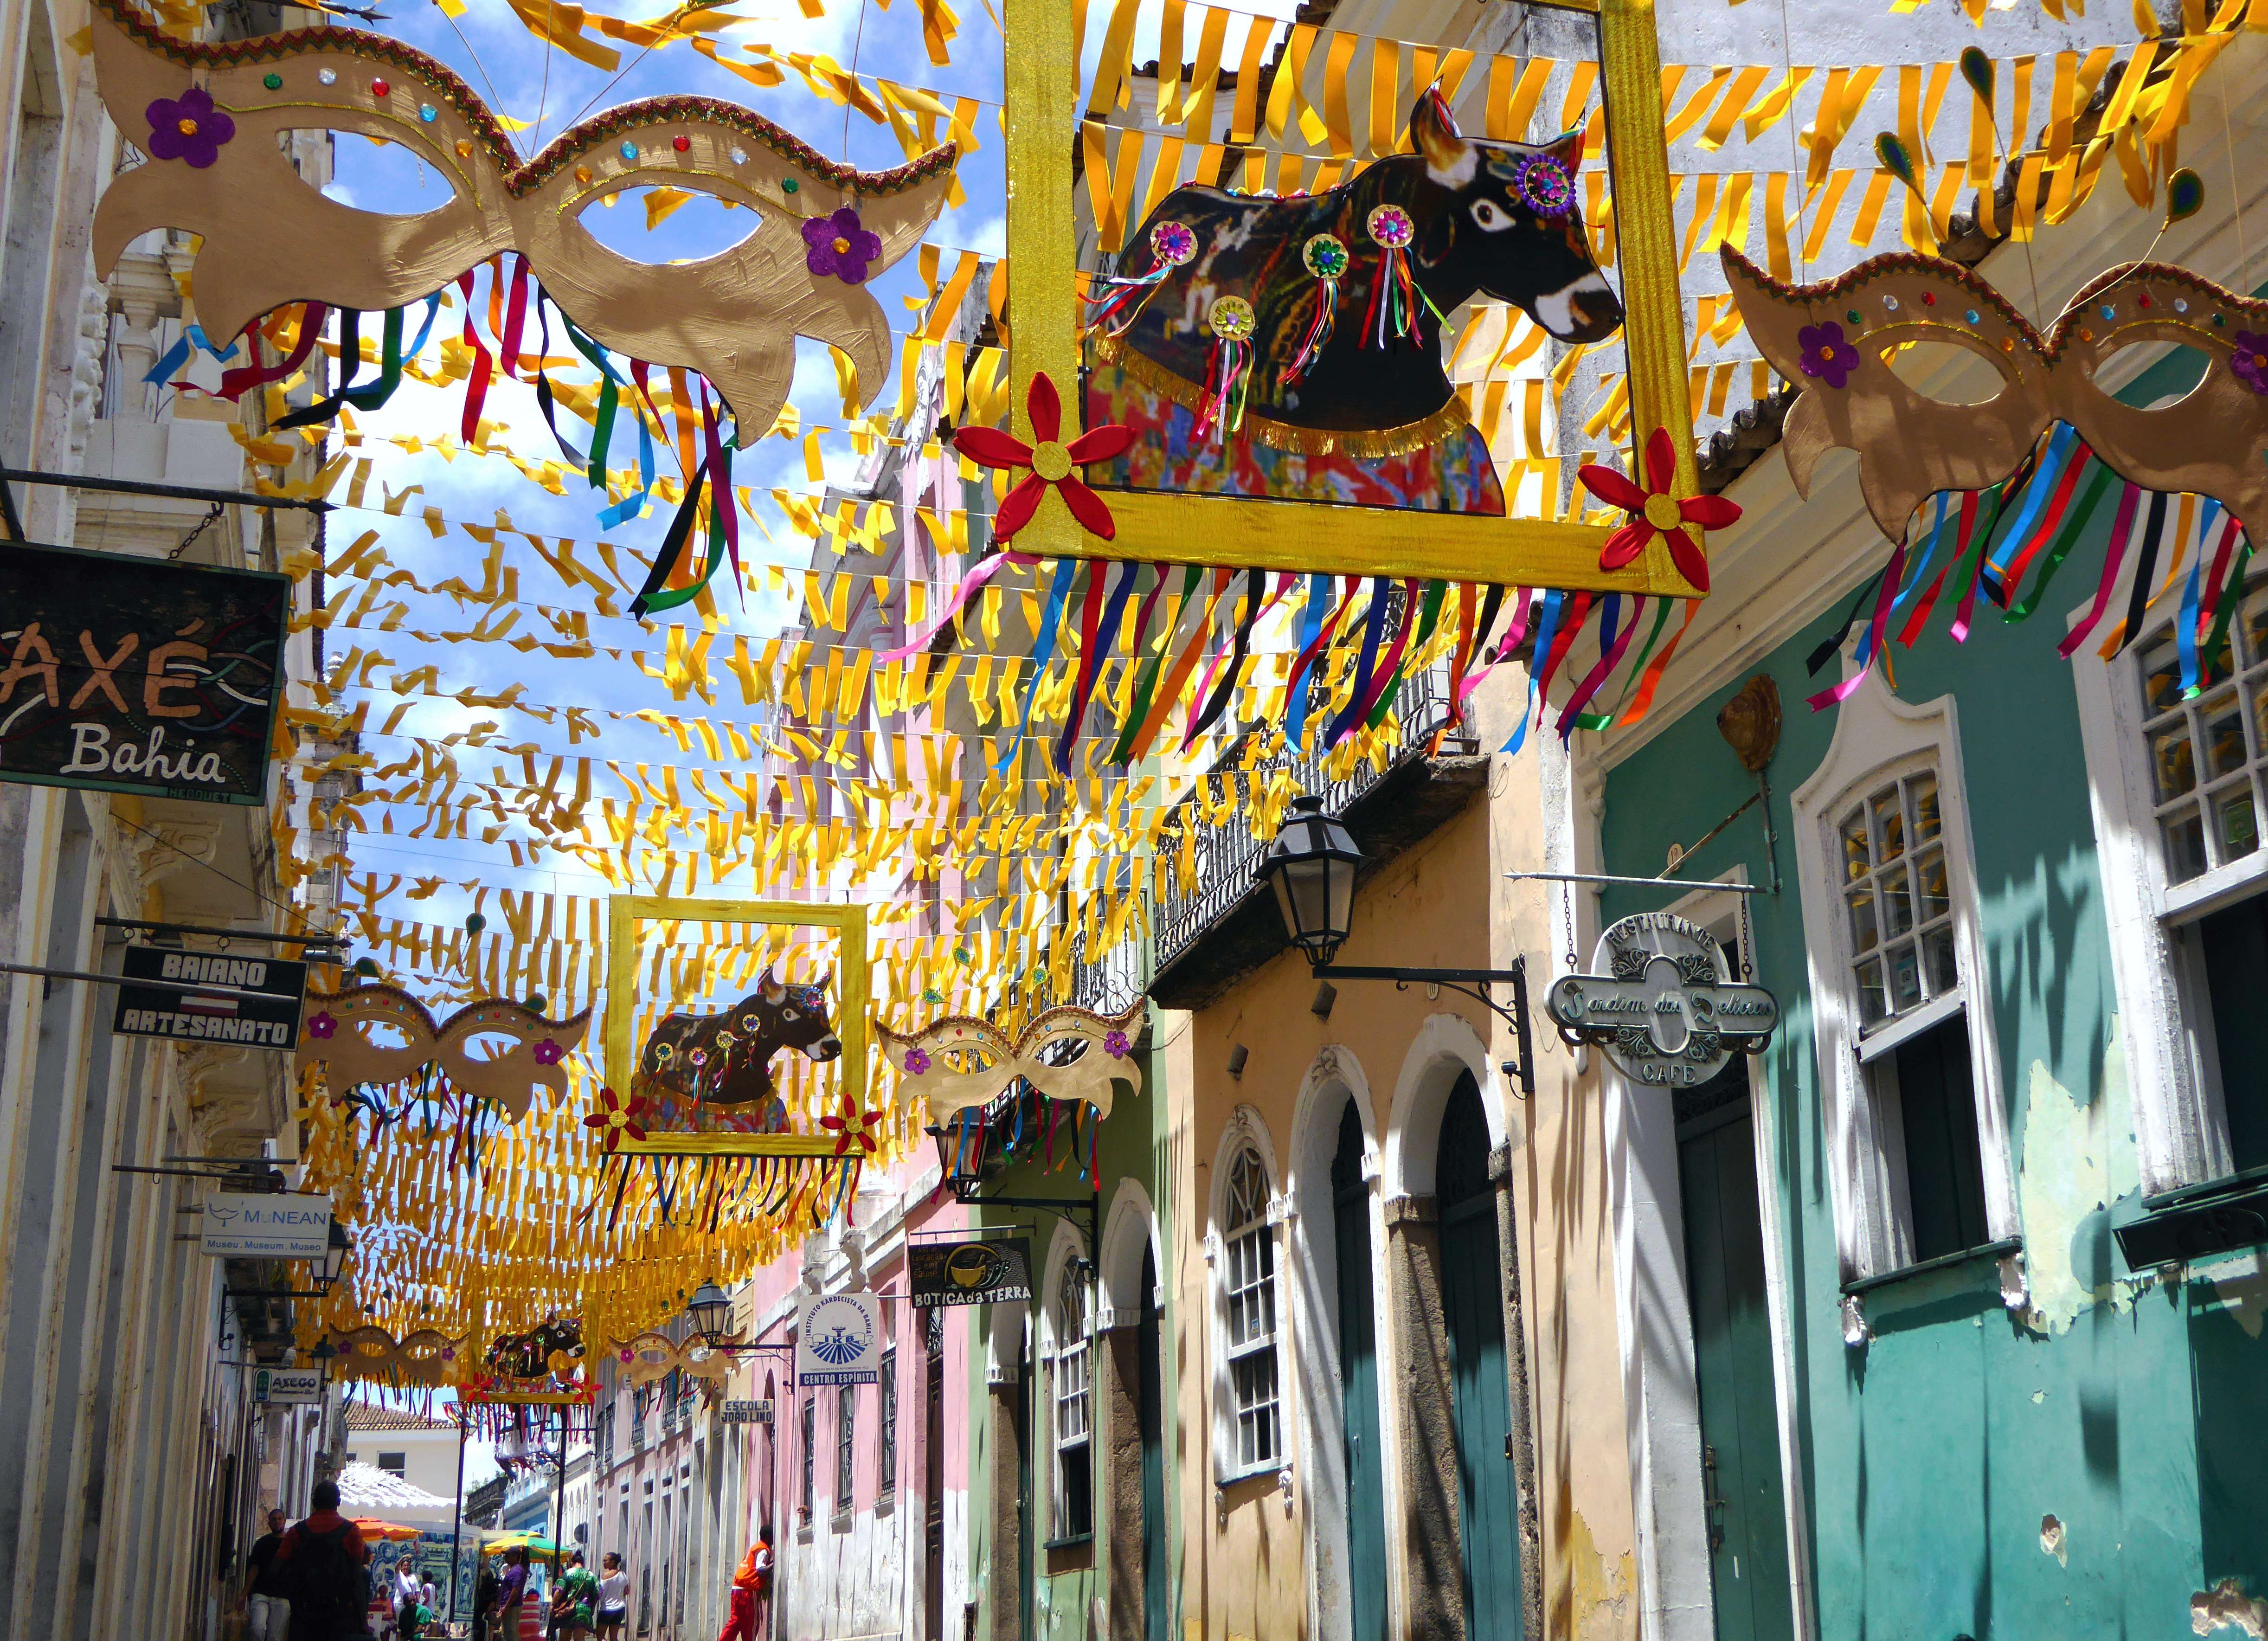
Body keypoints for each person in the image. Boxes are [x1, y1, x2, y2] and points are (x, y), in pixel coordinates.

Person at [273, 1480, 372, 1641]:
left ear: (313, 1502)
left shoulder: (296, 1532)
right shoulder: (351, 1532)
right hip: (338, 1617)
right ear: (338, 1502)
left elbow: (276, 1568)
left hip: (304, 1615)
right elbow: (356, 1579)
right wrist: (362, 1622)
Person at [244, 1509, 291, 1641]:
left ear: (284, 1521)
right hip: (261, 1594)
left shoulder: (291, 1544)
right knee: (257, 1629)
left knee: (275, 1637)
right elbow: (254, 1569)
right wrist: (244, 1594)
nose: (277, 1522)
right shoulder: (262, 1543)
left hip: (282, 1596)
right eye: (274, 1519)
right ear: (269, 1523)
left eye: (280, 1519)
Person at [714, 1535, 770, 1641]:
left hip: (737, 1589)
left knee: (736, 1621)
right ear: (769, 1537)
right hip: (748, 1590)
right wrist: (773, 1565)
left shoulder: (754, 1548)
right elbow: (760, 1570)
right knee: (751, 1622)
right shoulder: (763, 1550)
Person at [554, 1551, 598, 1641]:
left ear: (572, 1563)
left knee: (564, 1639)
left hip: (567, 1610)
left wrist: (553, 1605)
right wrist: (593, 1608)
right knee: (579, 1639)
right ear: (583, 1563)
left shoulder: (567, 1573)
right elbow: (597, 1593)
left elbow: (559, 1591)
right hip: (584, 1611)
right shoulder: (591, 1575)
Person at [491, 1546, 529, 1641]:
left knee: (510, 1634)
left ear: (516, 1557)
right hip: (511, 1606)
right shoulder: (515, 1570)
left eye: (508, 1556)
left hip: (512, 1607)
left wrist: (506, 1607)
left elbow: (515, 1590)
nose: (505, 1558)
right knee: (510, 1633)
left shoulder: (517, 1571)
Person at [593, 1552, 629, 1640]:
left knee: (600, 1636)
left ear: (613, 1562)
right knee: (614, 1637)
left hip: (607, 1609)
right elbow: (626, 1592)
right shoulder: (623, 1575)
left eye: (606, 1561)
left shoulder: (606, 1576)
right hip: (620, 1609)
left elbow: (600, 1593)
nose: (604, 1563)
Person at [472, 1556, 501, 1641]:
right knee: (483, 1626)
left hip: (492, 1615)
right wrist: (495, 1595)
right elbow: (485, 1599)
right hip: (483, 1612)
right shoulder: (483, 1591)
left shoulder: (493, 1588)